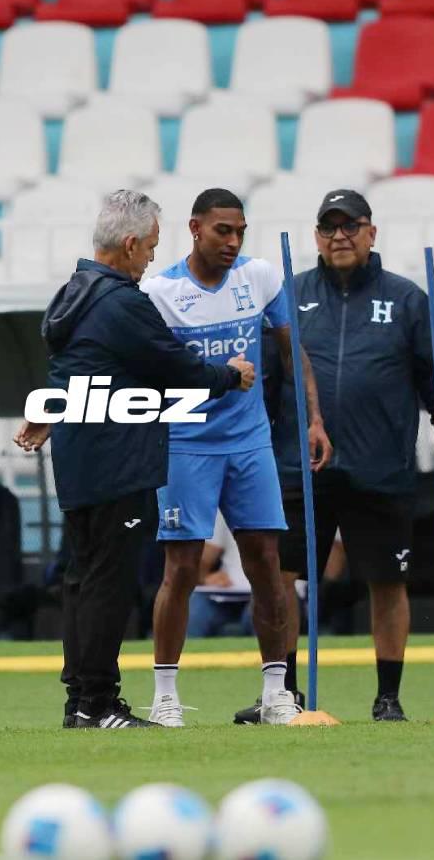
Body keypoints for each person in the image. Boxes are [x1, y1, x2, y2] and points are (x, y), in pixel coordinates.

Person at [14, 189, 255, 731]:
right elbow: (176, 367)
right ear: (128, 245)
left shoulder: (72, 293)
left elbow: (74, 372)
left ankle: (80, 700)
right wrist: (230, 376)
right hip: (118, 458)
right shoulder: (121, 302)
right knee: (108, 583)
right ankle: (100, 704)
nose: (150, 258)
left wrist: (50, 411)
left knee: (82, 578)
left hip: (79, 455)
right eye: (148, 247)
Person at [234, 188, 434, 725]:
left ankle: (388, 697)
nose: (339, 236)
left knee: (387, 582)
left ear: (371, 232)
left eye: (350, 226)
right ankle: (282, 693)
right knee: (281, 578)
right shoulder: (289, 296)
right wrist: (256, 453)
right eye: (329, 227)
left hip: (380, 468)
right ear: (317, 236)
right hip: (299, 467)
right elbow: (264, 382)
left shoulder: (407, 300)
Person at [139, 188, 333, 727]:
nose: (233, 241)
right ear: (195, 228)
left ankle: (276, 693)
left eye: (240, 232)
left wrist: (314, 419)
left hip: (250, 442)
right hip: (186, 442)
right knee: (181, 568)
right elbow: (144, 366)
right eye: (222, 230)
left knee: (266, 565)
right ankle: (165, 697)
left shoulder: (260, 277)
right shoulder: (160, 292)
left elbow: (292, 351)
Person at [186, 512, 253, 638]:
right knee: (194, 609)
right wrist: (204, 579)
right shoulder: (228, 506)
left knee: (259, 613)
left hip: (266, 590)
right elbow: (202, 560)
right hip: (226, 590)